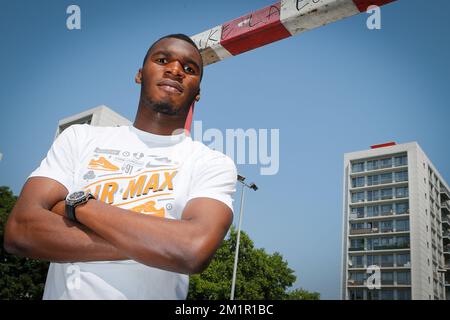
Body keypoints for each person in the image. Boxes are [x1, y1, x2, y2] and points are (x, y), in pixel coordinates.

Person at [4, 34, 237, 300]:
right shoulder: (81, 138)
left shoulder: (212, 163)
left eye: (189, 69)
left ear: (198, 92)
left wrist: (77, 205)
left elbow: (192, 251)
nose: (175, 70)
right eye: (162, 60)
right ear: (139, 74)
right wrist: (158, 244)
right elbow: (20, 231)